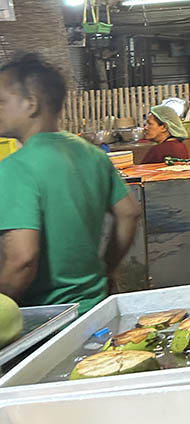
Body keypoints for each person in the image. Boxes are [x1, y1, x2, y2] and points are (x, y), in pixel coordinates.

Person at [0, 55, 140, 311]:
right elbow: (129, 213)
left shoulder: (15, 167)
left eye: (1, 101)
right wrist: (109, 269)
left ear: (31, 104)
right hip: (94, 308)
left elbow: (22, 260)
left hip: (45, 318)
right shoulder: (93, 155)